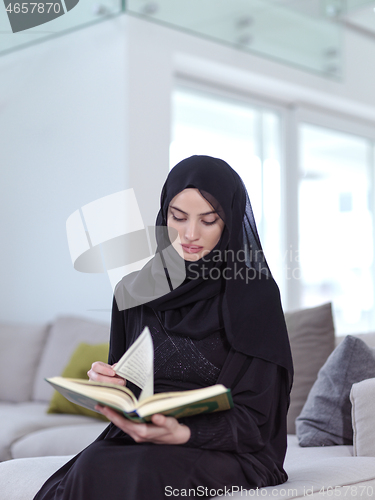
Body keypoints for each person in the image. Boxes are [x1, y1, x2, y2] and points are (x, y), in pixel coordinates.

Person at [34, 155, 293, 499]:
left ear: (228, 223)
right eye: (178, 217)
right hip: (145, 440)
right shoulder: (133, 291)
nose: (189, 234)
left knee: (143, 472)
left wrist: (182, 433)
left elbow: (258, 421)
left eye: (208, 220)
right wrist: (112, 383)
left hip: (230, 450)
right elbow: (132, 394)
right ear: (163, 214)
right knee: (92, 464)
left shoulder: (254, 296)